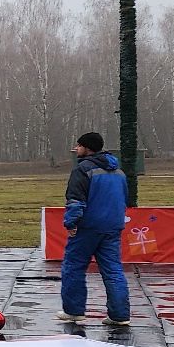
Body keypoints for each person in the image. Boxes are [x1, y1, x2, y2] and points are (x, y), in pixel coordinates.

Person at [60, 131, 131, 326]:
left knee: (73, 267)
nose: (76, 149)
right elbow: (125, 197)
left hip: (88, 227)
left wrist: (71, 223)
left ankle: (74, 311)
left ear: (87, 148)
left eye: (79, 145)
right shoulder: (118, 171)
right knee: (113, 270)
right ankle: (120, 315)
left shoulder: (82, 170)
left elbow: (75, 200)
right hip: (113, 227)